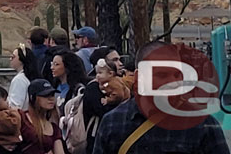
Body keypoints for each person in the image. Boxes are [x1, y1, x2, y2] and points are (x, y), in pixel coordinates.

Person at [93, 41, 231, 154]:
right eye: (162, 75)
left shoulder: (202, 125)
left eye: (177, 75)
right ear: (139, 77)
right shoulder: (113, 123)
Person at [81, 52, 119, 154]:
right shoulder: (93, 88)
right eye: (115, 60)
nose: (119, 63)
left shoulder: (120, 84)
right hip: (96, 136)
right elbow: (101, 110)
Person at [19, 79, 63, 154]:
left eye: (52, 94)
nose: (51, 98)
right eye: (45, 95)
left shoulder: (54, 129)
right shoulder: (21, 118)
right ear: (33, 98)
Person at [6, 45, 39, 111]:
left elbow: (15, 106)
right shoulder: (28, 77)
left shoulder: (19, 80)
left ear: (21, 60)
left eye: (13, 57)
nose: (10, 59)